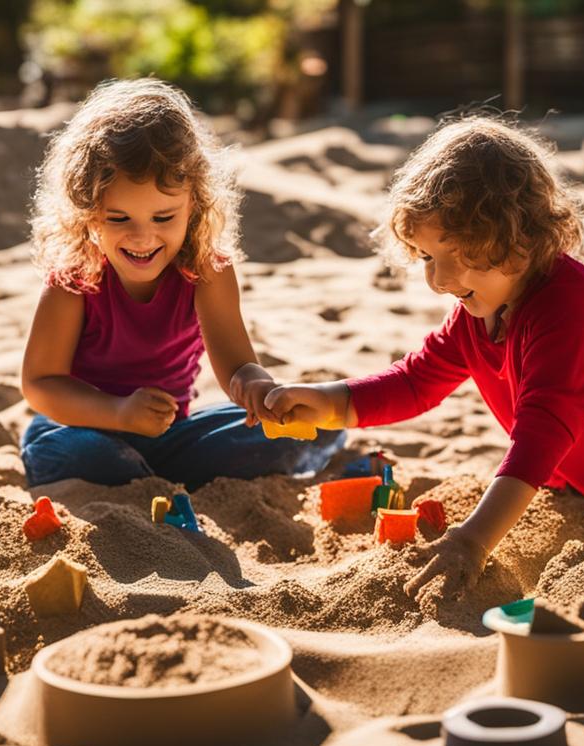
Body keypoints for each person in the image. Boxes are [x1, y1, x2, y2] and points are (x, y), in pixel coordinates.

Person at [265, 116, 584, 600]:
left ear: (517, 238)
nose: (439, 280)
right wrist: (327, 402)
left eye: (458, 255)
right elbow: (414, 382)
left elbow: (541, 435)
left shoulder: (570, 305)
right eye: (427, 257)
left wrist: (472, 540)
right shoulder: (478, 313)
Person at [20, 78, 345, 490]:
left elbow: (236, 365)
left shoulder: (207, 271)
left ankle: (147, 476)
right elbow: (39, 383)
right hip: (83, 428)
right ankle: (148, 477)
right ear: (86, 211)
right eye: (119, 219)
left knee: (308, 424)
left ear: (194, 206)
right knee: (71, 453)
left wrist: (257, 388)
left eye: (163, 218)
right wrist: (119, 413)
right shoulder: (75, 278)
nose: (142, 238)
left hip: (171, 434)